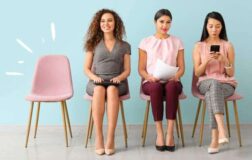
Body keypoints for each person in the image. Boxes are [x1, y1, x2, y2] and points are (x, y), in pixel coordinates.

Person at [84, 9, 131, 155]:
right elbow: (86, 68)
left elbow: (127, 70)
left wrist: (119, 78)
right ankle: (99, 137)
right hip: (96, 80)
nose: (106, 23)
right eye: (103, 21)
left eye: (110, 20)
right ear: (98, 24)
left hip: (117, 82)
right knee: (99, 89)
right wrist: (94, 77)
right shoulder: (92, 44)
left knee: (111, 89)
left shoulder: (124, 45)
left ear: (115, 23)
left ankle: (110, 137)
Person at [138, 9, 185, 152]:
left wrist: (176, 76)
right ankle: (159, 133)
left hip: (172, 80)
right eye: (161, 22)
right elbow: (141, 69)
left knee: (171, 87)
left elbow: (182, 68)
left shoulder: (177, 41)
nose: (165, 25)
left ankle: (169, 133)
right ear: (155, 22)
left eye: (168, 22)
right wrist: (148, 77)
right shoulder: (145, 42)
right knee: (156, 88)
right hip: (152, 82)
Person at [193, 11, 237, 154]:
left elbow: (231, 73)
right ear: (206, 26)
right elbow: (198, 73)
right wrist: (207, 60)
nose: (214, 30)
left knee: (213, 92)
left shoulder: (228, 46)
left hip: (226, 84)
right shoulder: (199, 46)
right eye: (211, 26)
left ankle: (214, 138)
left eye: (218, 26)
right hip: (205, 82)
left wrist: (224, 60)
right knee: (213, 84)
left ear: (222, 27)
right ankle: (222, 130)